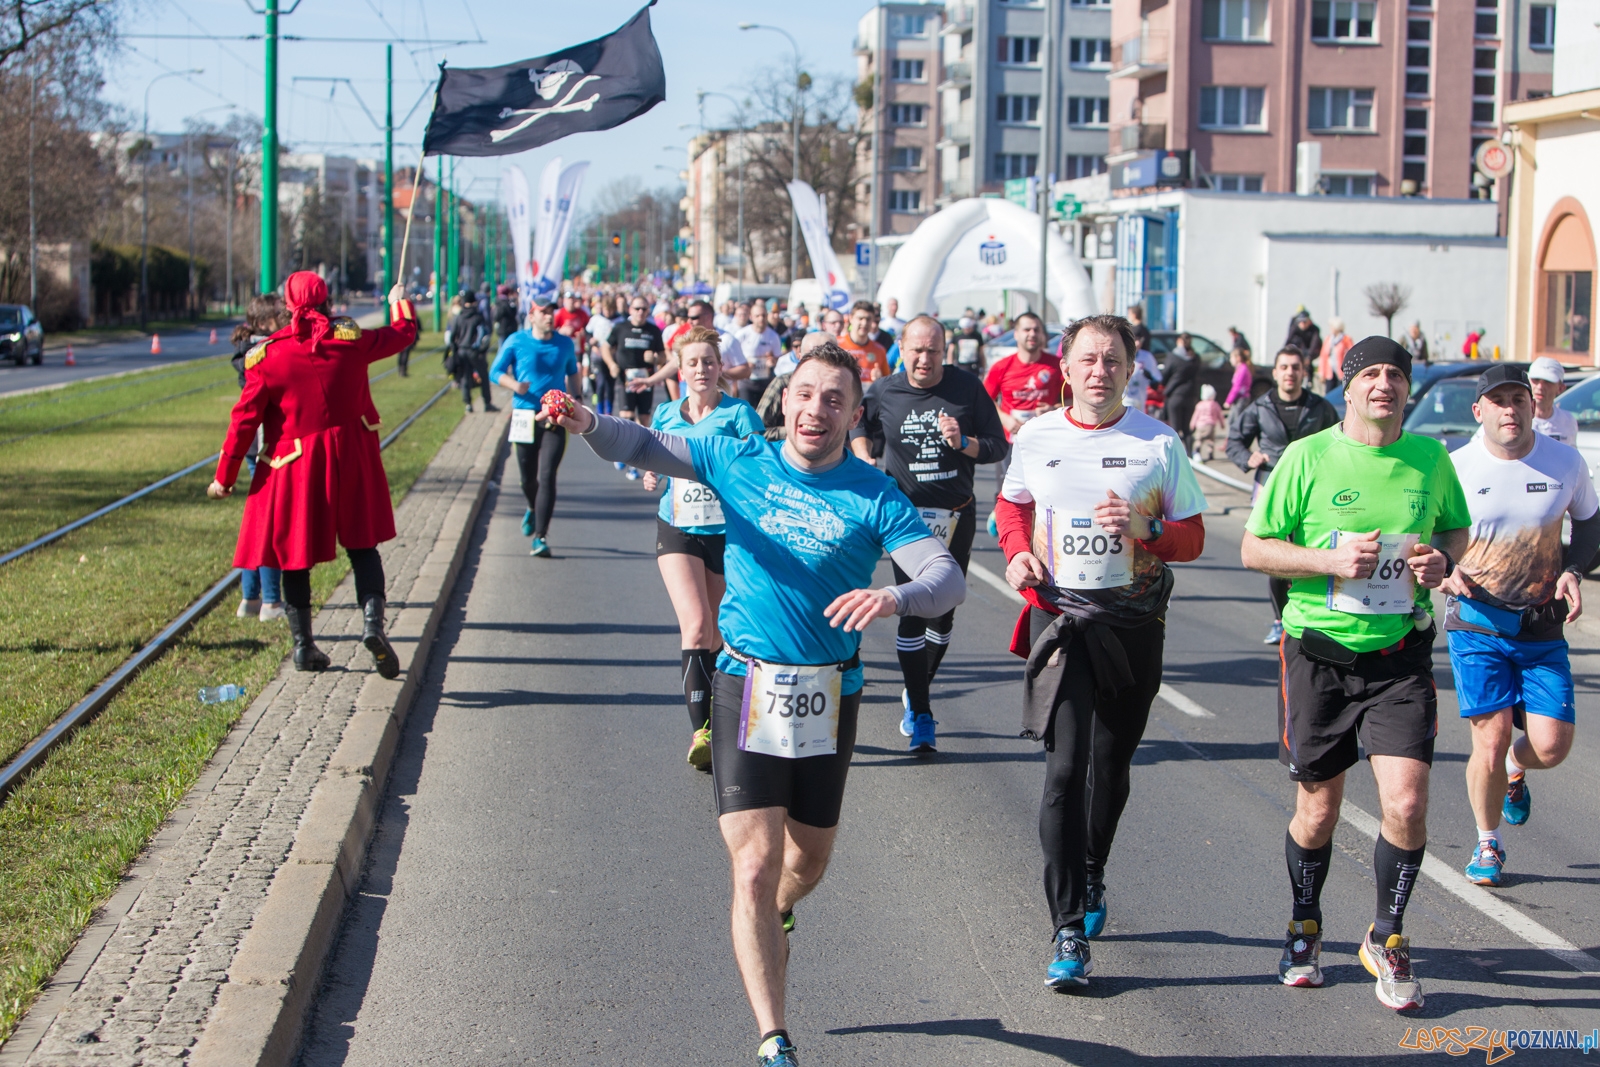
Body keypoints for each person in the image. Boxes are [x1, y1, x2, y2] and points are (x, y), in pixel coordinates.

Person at [547, 342, 965, 1067]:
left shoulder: (874, 493)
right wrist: (586, 421)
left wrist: (894, 597)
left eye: (834, 398)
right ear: (785, 401)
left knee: (807, 861)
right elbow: (643, 443)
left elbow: (945, 575)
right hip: (746, 682)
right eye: (805, 393)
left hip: (830, 691)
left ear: (853, 415)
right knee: (753, 863)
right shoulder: (738, 460)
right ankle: (774, 1038)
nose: (816, 409)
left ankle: (779, 910)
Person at [1240, 336, 1470, 1011]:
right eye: (1370, 374)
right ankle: (1305, 926)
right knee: (1318, 810)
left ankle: (1387, 936)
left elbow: (1455, 531)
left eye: (1395, 374)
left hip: (1399, 657)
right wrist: (1330, 562)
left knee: (1408, 804)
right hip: (1319, 656)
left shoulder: (1430, 458)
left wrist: (1442, 563)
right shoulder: (1307, 457)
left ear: (1407, 388)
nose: (1384, 384)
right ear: (1348, 386)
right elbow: (1255, 547)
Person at [995, 313, 1208, 989]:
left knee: (1110, 767)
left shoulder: (1158, 442)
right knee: (1064, 770)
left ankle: (1092, 870)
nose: (1099, 370)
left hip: (1133, 623)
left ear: (1130, 369)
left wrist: (1147, 528)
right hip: (1061, 619)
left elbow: (1194, 537)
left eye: (1112, 359)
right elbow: (1011, 507)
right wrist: (1016, 553)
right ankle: (1066, 927)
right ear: (1065, 367)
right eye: (1087, 359)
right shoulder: (1037, 436)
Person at [208, 273, 421, 680]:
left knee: (294, 557)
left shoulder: (266, 356)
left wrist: (225, 476)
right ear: (327, 301)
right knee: (363, 547)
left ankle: (304, 646)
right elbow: (403, 333)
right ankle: (373, 625)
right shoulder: (350, 340)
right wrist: (399, 301)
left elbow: (244, 421)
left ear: (287, 306)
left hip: (296, 465)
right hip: (352, 457)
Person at [1442, 365, 1600, 888]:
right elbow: (1425, 530)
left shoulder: (1565, 462)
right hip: (1477, 621)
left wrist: (1574, 569)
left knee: (1551, 746)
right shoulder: (1456, 467)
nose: (1510, 409)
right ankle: (1488, 843)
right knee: (1487, 740)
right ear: (1478, 410)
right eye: (1498, 401)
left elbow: (1591, 522)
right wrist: (1443, 566)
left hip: (1541, 623)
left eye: (1518, 399)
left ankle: (1517, 763)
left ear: (1533, 405)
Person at [850, 315, 1008, 753]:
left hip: (957, 515)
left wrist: (963, 443)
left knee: (945, 610)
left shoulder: (966, 388)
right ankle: (921, 713)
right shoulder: (885, 390)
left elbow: (998, 445)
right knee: (914, 610)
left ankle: (916, 686)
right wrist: (863, 453)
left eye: (932, 351)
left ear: (945, 351)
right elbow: (858, 422)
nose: (924, 359)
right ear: (901, 349)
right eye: (916, 350)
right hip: (908, 521)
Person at [641, 326, 766, 770]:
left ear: (720, 367)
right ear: (680, 369)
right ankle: (702, 733)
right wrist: (651, 473)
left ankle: (723, 717)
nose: (701, 369)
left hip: (727, 534)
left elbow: (761, 467)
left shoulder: (739, 415)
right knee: (695, 627)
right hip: (677, 527)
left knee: (719, 633)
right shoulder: (665, 414)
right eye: (692, 362)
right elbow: (652, 456)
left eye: (708, 362)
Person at [1226, 346, 1340, 643]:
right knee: (1277, 554)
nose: (1290, 373)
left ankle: (1313, 615)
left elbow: (1340, 440)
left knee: (1309, 550)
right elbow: (1234, 441)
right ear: (1275, 373)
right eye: (1285, 367)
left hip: (1314, 489)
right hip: (1271, 485)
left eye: (1296, 367)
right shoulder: (1260, 407)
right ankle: (1280, 620)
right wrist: (1248, 458)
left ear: (1304, 373)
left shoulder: (1320, 408)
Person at [493, 295, 580, 558]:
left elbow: (572, 372)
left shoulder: (564, 344)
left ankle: (540, 537)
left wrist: (577, 398)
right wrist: (515, 385)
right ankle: (532, 507)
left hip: (554, 418)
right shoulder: (516, 341)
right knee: (527, 478)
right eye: (543, 312)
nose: (549, 316)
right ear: (531, 316)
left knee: (547, 476)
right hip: (524, 415)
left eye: (551, 311)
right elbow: (495, 372)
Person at [229, 294, 291, 623]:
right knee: (270, 525)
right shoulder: (264, 352)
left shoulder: (249, 350)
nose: (287, 320)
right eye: (281, 316)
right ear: (266, 323)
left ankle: (250, 597)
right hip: (268, 445)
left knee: (258, 522)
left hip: (258, 445)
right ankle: (270, 601)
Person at [984, 312, 1066, 535]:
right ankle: (1009, 530)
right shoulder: (1003, 366)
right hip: (1012, 441)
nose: (1032, 334)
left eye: (1036, 330)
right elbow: (984, 399)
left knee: (1044, 490)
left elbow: (1072, 401)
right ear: (1016, 334)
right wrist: (1005, 418)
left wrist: (1053, 409)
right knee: (1012, 491)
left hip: (1047, 442)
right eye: (1027, 329)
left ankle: (1041, 534)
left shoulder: (1055, 366)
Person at [604, 296, 668, 480]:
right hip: (626, 378)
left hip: (645, 379)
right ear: (630, 310)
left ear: (648, 311)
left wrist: (655, 359)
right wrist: (611, 364)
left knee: (644, 420)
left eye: (644, 309)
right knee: (627, 417)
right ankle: (622, 452)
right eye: (637, 308)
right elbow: (605, 347)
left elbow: (663, 356)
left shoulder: (653, 330)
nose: (640, 312)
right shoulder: (620, 327)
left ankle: (633, 463)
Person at [448, 287, 496, 414]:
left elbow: (452, 337)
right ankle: (487, 403)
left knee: (465, 377)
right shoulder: (478, 317)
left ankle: (468, 404)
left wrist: (455, 349)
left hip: (462, 351)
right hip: (475, 352)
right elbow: (485, 334)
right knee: (483, 376)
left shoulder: (459, 317)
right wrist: (482, 349)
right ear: (474, 302)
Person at [735, 300, 784, 408]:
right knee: (746, 411)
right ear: (751, 317)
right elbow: (734, 357)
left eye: (763, 315)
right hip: (746, 381)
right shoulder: (742, 334)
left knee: (763, 413)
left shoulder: (773, 336)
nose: (761, 319)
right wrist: (745, 363)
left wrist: (773, 361)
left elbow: (778, 358)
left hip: (765, 381)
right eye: (757, 316)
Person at [1161, 333, 1199, 453]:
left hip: (1175, 395)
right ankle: (1190, 455)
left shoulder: (1173, 357)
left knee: (1175, 429)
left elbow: (1165, 375)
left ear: (1179, 341)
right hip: (1191, 395)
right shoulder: (1195, 357)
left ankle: (1174, 455)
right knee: (1187, 429)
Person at [1528, 357, 1578, 444]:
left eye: (1547, 382)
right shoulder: (1517, 419)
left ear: (1561, 388)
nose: (1540, 387)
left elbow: (1571, 451)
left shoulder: (1568, 421)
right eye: (1535, 380)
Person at [837, 300, 890, 383]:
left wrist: (880, 380)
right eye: (860, 318)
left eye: (868, 319)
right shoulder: (837, 345)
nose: (864, 323)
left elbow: (888, 382)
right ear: (851, 318)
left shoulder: (879, 350)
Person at [1287, 312, 1324, 387]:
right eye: (1300, 322)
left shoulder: (1314, 329)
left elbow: (1314, 344)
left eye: (1304, 322)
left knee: (1308, 362)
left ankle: (1309, 381)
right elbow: (1288, 340)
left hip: (1312, 351)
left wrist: (1309, 357)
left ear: (1309, 322)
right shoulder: (1295, 328)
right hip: (1301, 349)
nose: (1302, 324)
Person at [1189, 384, 1225, 460]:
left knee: (1199, 439)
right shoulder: (1215, 405)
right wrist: (1222, 424)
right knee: (1210, 440)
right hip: (1211, 426)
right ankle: (1210, 453)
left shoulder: (1199, 405)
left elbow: (1195, 415)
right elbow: (1220, 415)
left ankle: (1197, 449)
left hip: (1200, 426)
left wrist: (1192, 424)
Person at [1319, 317, 1354, 394]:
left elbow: (1351, 354)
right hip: (1330, 371)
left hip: (1342, 371)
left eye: (1332, 326)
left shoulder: (1346, 339)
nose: (1330, 328)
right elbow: (1323, 356)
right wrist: (1322, 373)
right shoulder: (1328, 339)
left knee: (1341, 392)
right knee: (1329, 394)